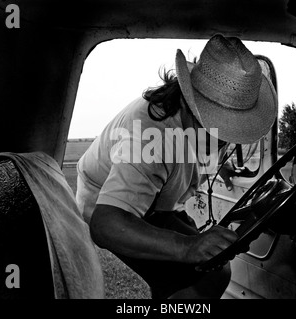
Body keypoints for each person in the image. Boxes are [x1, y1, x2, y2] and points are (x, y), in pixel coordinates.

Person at [76, 34, 277, 299]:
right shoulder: (150, 135)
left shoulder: (203, 128)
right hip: (110, 205)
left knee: (206, 268)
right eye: (219, 129)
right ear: (187, 102)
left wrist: (222, 168)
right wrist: (187, 246)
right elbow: (106, 224)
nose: (225, 142)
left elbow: (201, 145)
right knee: (209, 273)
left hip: (159, 201)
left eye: (233, 132)